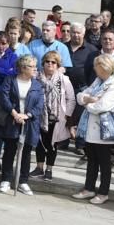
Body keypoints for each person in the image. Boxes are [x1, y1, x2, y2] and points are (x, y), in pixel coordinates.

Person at [72, 54, 114, 205]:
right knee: (92, 161)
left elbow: (102, 107)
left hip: (105, 132)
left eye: (97, 66)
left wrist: (88, 104)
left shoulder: (113, 86)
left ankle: (103, 192)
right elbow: (80, 95)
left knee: (105, 164)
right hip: (91, 131)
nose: (94, 69)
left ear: (105, 67)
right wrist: (90, 100)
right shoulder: (98, 81)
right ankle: (89, 188)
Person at [0, 55, 45, 195]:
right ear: (24, 68)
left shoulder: (37, 85)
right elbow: (4, 98)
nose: (35, 70)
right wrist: (15, 114)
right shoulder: (10, 80)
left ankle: (23, 181)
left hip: (29, 122)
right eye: (32, 67)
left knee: (26, 153)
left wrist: (27, 115)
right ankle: (6, 179)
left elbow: (40, 105)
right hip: (12, 120)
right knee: (9, 150)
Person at [32, 49, 75, 181]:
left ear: (57, 65)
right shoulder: (36, 77)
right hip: (39, 115)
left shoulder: (63, 79)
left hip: (56, 117)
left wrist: (67, 115)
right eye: (47, 61)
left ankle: (49, 169)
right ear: (43, 63)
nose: (50, 64)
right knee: (39, 143)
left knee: (52, 144)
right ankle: (39, 167)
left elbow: (71, 99)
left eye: (53, 62)